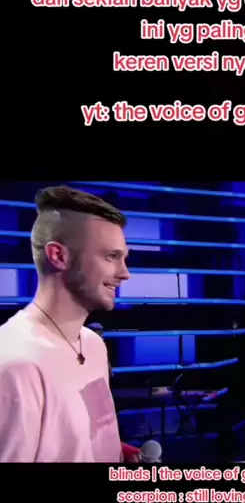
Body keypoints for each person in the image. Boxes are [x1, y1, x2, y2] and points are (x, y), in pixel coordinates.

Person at [0, 185, 140, 463]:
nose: (125, 273)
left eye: (124, 258)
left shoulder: (93, 344)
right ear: (58, 256)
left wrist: (113, 451)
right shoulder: (14, 364)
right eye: (111, 256)